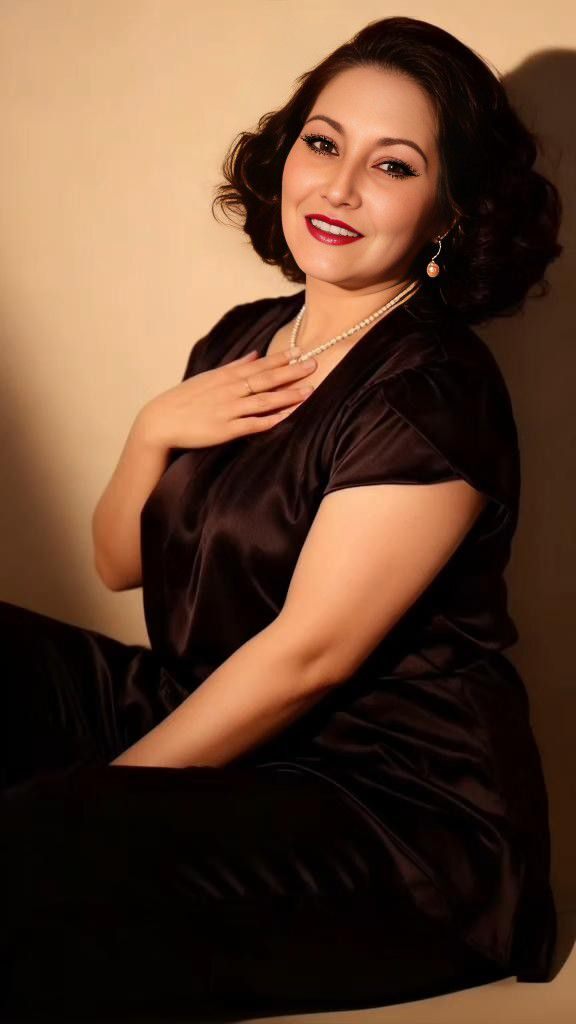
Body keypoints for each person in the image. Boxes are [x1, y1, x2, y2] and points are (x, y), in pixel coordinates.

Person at [0, 14, 562, 1022]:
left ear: (450, 210)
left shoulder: (435, 392)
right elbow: (119, 563)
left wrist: (106, 797)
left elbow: (310, 657)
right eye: (322, 142)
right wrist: (151, 430)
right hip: (216, 710)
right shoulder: (245, 338)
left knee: (38, 846)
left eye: (392, 165)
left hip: (392, 813)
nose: (338, 187)